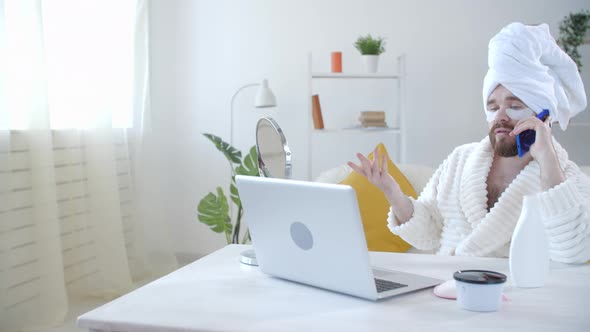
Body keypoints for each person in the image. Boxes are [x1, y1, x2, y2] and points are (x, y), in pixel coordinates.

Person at [348, 22, 590, 264]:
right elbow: (427, 233)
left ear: (543, 117)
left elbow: (574, 253)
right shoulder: (460, 159)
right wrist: (392, 192)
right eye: (493, 107)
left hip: (516, 294)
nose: (500, 117)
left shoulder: (566, 178)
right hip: (446, 286)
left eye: (515, 106)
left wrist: (548, 160)